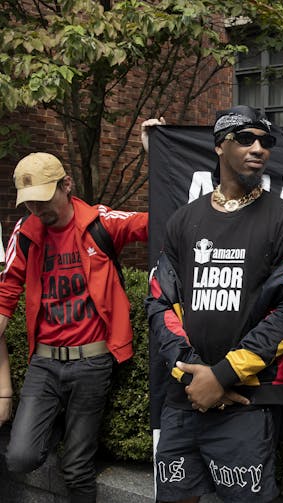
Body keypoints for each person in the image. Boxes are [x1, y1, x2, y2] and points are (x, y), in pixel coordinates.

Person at [145, 105, 283, 502]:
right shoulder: (183, 221)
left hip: (248, 402)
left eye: (265, 141)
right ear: (220, 146)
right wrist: (194, 378)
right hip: (183, 399)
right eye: (245, 139)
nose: (258, 148)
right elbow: (160, 303)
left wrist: (221, 376)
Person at [0, 152, 148, 502]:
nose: (37, 210)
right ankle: (49, 423)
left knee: (77, 467)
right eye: (29, 202)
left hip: (92, 362)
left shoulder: (100, 222)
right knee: (20, 457)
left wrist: (155, 148)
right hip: (45, 364)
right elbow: (6, 294)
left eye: (43, 199)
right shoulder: (26, 232)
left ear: (67, 185)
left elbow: (155, 221)